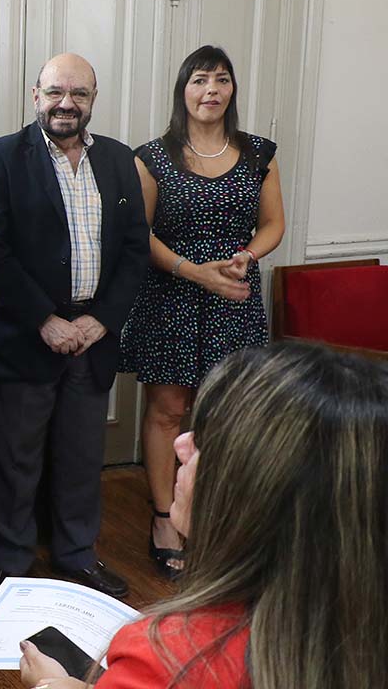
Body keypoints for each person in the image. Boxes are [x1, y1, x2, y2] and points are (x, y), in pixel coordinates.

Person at [19, 341, 388, 689]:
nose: (181, 443)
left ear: (256, 490)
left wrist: (52, 684)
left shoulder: (167, 657)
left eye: (209, 440)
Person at [0, 53, 148, 599]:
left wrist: (102, 320)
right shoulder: (1, 156)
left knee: (81, 458)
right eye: (55, 92)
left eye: (79, 93)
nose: (66, 103)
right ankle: (12, 567)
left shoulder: (117, 159)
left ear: (93, 99)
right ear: (36, 96)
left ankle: (77, 555)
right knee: (16, 461)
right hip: (28, 335)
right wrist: (44, 319)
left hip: (93, 337)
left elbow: (135, 249)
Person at [119, 45, 285, 580]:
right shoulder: (153, 156)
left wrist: (247, 257)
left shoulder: (258, 153)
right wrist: (194, 271)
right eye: (199, 80)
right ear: (183, 91)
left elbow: (273, 224)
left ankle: (213, 519)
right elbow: (139, 234)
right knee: (168, 411)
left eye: (221, 80)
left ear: (232, 90)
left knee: (226, 414)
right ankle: (164, 518)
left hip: (234, 297)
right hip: (170, 296)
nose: (211, 90)